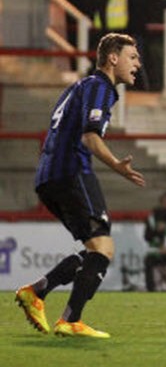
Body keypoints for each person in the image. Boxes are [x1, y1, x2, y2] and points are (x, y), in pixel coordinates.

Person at [15, 33, 146, 338]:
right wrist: (117, 166)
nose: (138, 64)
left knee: (95, 248)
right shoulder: (101, 87)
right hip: (71, 172)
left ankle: (36, 292)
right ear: (113, 58)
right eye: (133, 57)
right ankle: (69, 319)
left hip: (48, 177)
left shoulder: (79, 86)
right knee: (104, 247)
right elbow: (90, 136)